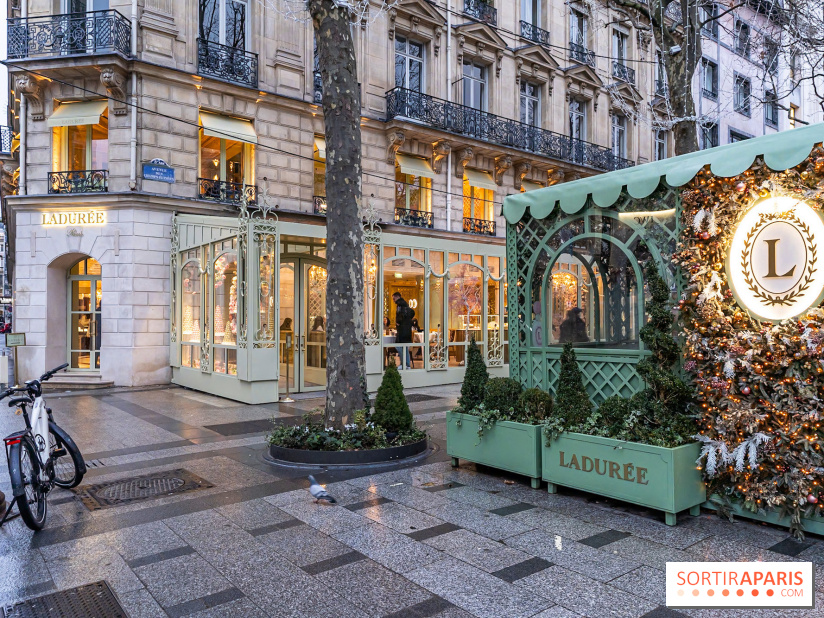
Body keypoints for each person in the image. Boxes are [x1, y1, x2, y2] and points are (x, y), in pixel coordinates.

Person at [393, 292, 415, 369]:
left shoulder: (400, 305)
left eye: (394, 298)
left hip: (402, 330)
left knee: (399, 346)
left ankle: (404, 364)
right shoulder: (406, 305)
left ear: (397, 297)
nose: (393, 300)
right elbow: (412, 312)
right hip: (407, 330)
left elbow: (400, 315)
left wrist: (398, 322)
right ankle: (407, 365)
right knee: (405, 348)